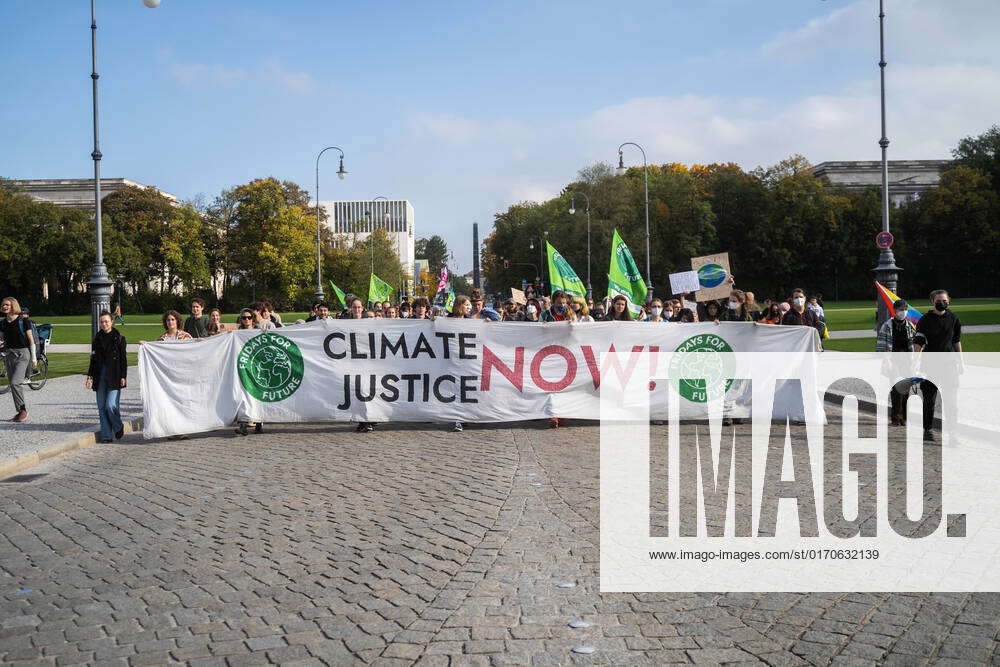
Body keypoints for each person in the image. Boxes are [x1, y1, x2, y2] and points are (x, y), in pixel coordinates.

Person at [914, 290, 962, 442]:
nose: (942, 303)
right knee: (929, 400)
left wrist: (961, 361)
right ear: (932, 302)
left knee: (951, 401)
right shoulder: (924, 320)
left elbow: (956, 341)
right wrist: (915, 362)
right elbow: (918, 343)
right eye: (938, 300)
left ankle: (952, 433)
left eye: (944, 300)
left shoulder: (954, 318)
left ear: (949, 301)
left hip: (949, 365)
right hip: (930, 365)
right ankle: (927, 429)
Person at [85, 311, 127, 443]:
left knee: (111, 405)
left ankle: (118, 425)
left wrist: (123, 376)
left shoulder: (119, 338)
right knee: (102, 406)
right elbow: (93, 359)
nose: (104, 324)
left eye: (106, 321)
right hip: (99, 374)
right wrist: (89, 377)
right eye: (102, 322)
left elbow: (123, 360)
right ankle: (107, 435)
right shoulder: (96, 339)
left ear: (112, 322)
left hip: (114, 374)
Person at [876, 299, 917, 426]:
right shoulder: (887, 325)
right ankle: (895, 416)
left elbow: (915, 344)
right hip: (893, 359)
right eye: (900, 310)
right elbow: (882, 344)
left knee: (905, 388)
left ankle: (904, 416)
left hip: (907, 360)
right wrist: (886, 360)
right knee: (896, 388)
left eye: (904, 310)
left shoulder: (910, 326)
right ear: (895, 311)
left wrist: (915, 360)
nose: (902, 312)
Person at [1, 297, 37, 422]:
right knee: (13, 384)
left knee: (16, 382)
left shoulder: (23, 321)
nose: (5, 307)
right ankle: (20, 411)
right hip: (9, 355)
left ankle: (23, 411)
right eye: (4, 305)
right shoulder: (3, 323)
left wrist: (34, 359)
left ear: (13, 306)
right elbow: (2, 339)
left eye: (7, 305)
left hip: (23, 354)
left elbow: (31, 340)